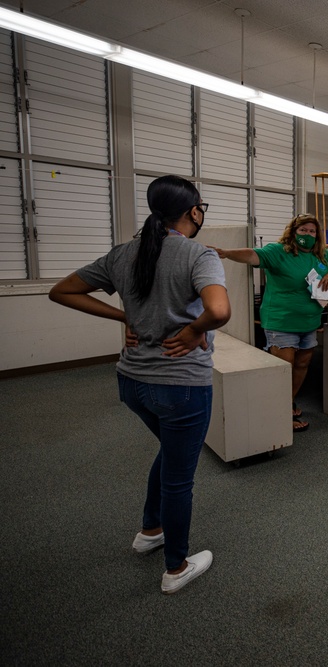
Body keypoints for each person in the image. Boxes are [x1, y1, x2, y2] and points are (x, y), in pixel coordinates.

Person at [48, 175, 231, 594]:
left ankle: (151, 530)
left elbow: (62, 291)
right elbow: (219, 310)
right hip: (182, 385)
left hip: (132, 382)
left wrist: (122, 316)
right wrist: (194, 330)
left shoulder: (123, 253)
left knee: (170, 452)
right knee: (179, 478)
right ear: (193, 212)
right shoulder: (198, 254)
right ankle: (176, 567)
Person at [211, 214, 328, 432]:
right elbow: (251, 255)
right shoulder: (279, 251)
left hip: (309, 322)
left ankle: (287, 403)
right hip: (281, 322)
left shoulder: (321, 254)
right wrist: (227, 253)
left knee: (302, 365)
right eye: (303, 230)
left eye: (312, 231)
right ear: (293, 231)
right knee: (283, 369)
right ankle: (280, 413)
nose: (307, 235)